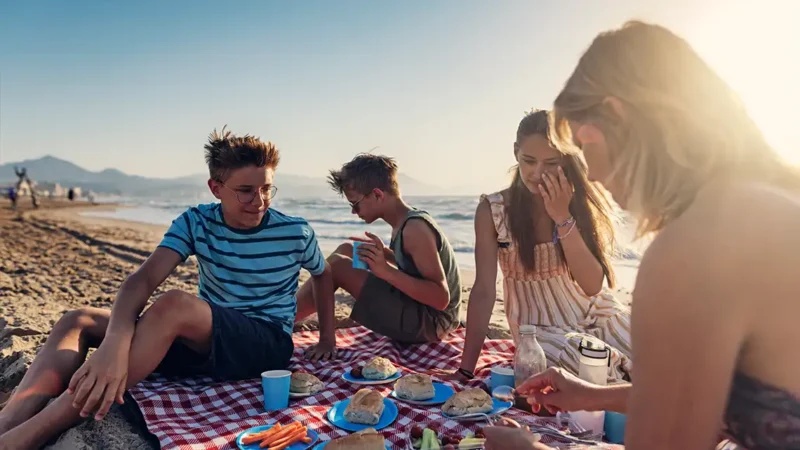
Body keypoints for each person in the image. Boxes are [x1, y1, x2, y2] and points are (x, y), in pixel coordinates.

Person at [485, 21, 800, 450]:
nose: (590, 172)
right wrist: (590, 395)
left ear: (617, 115)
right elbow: (718, 400)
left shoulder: (696, 249)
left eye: (584, 146)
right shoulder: (773, 202)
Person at [0, 127, 336, 449]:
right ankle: (11, 419)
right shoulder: (197, 221)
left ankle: (32, 433)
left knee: (173, 304)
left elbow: (323, 274)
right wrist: (114, 345)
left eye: (266, 188)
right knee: (78, 320)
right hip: (203, 344)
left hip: (263, 346)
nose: (259, 201)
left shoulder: (295, 232)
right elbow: (143, 279)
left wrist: (327, 338)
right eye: (245, 190)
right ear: (215, 188)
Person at [441, 110, 632, 385]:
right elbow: (483, 290)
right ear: (516, 151)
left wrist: (562, 217)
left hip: (594, 313)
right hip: (539, 331)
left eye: (551, 163)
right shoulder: (493, 211)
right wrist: (465, 370)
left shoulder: (573, 201)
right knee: (593, 366)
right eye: (529, 161)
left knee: (648, 346)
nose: (538, 172)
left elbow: (592, 286)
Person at [297, 153, 462, 351]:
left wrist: (386, 271)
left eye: (355, 204)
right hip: (422, 311)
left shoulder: (414, 229)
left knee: (338, 267)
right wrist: (387, 256)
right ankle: (287, 314)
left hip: (432, 324)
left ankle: (319, 337)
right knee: (347, 250)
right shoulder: (405, 222)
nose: (353, 212)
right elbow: (415, 266)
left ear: (377, 194)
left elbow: (440, 298)